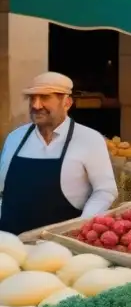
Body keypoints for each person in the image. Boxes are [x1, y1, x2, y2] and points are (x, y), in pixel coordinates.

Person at [0, 72, 117, 235]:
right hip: (10, 243)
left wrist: (82, 226)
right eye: (32, 98)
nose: (36, 105)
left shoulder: (89, 139)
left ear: (67, 103)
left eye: (45, 98)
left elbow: (105, 191)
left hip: (60, 246)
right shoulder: (15, 138)